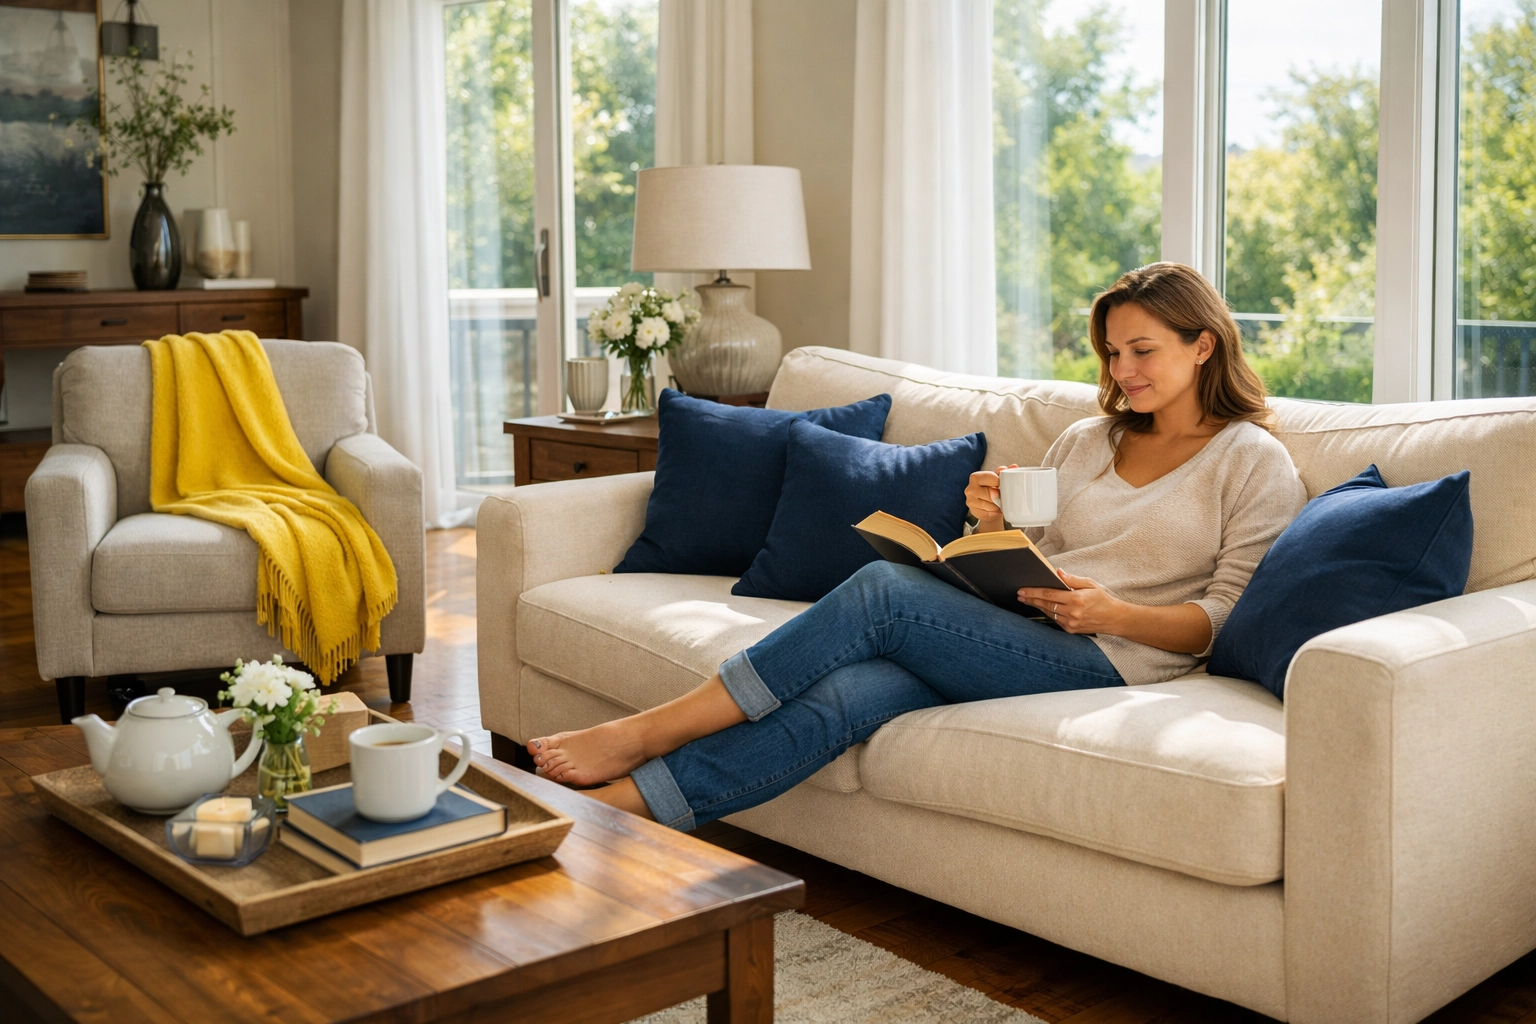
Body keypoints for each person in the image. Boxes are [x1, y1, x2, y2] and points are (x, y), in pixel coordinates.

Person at [528, 262, 1307, 830]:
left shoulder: (1250, 459)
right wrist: (990, 526)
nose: (1120, 369)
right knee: (845, 699)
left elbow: (1228, 617)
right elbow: (1026, 554)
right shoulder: (1087, 439)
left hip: (1117, 658)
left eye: (1143, 351)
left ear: (1203, 345)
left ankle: (645, 731)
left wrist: (1116, 614)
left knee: (884, 591)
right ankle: (612, 811)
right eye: (1110, 351)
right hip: (1019, 633)